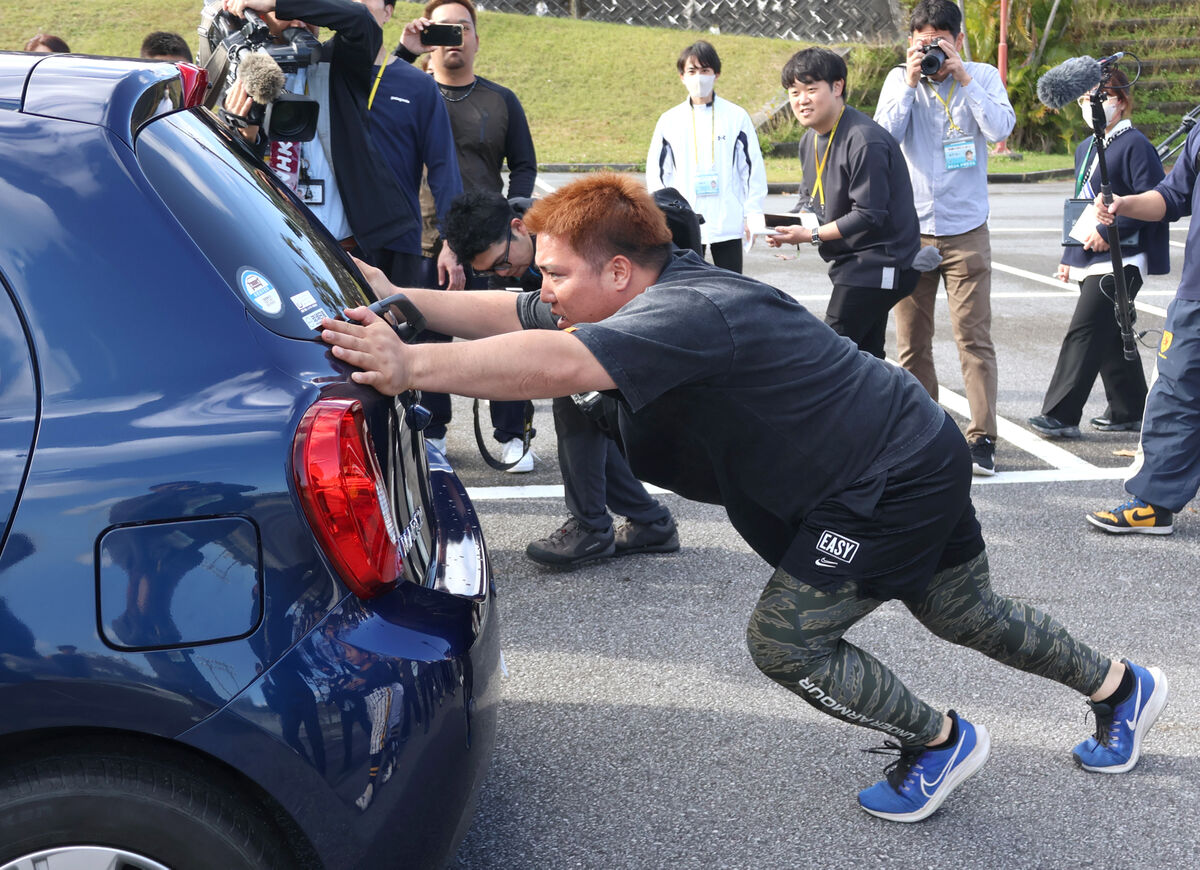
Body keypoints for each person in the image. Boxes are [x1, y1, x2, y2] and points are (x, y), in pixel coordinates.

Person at [320, 173, 1168, 821]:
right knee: (962, 610)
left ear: (619, 271)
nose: (546, 291)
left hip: (886, 480)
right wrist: (386, 296)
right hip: (901, 453)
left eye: (559, 274)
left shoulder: (690, 312)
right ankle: (1119, 688)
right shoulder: (633, 295)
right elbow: (513, 310)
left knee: (786, 642)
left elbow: (560, 361)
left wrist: (410, 366)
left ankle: (940, 742)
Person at [442, 190, 679, 566]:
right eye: (490, 272)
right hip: (593, 327)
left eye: (503, 263)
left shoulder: (570, 235)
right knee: (584, 412)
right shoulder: (518, 242)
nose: (503, 274)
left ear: (518, 228)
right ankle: (648, 521)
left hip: (644, 323)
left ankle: (592, 527)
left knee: (575, 401)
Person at [392, 0, 539, 470]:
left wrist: (511, 214)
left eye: (462, 28)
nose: (453, 38)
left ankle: (512, 434)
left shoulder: (500, 100)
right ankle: (432, 433)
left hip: (489, 246)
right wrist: (404, 51)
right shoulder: (408, 91)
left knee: (502, 339)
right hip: (422, 237)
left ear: (476, 37)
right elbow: (368, 96)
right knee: (428, 340)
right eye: (441, 30)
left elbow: (524, 165)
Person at [873, 0, 1015, 476]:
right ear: (910, 42)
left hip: (966, 229)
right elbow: (882, 141)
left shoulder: (981, 77)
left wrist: (965, 79)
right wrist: (913, 82)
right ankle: (923, 434)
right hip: (911, 230)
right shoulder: (900, 80)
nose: (930, 49)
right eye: (921, 41)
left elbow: (1001, 128)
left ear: (956, 39)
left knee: (973, 338)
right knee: (912, 343)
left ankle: (982, 438)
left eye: (939, 40)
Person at [217, 0, 418, 267]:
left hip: (352, 252)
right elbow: (230, 178)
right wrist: (246, 135)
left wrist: (281, 4)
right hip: (281, 252)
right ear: (259, 17)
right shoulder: (241, 73)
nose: (301, 19)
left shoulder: (340, 64)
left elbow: (361, 20)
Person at [1028, 71, 1168, 440]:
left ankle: (1060, 414)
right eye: (1084, 99)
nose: (1091, 105)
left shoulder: (1135, 144)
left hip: (1124, 256)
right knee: (1109, 330)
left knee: (1086, 330)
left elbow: (1153, 199)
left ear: (1120, 100)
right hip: (1090, 254)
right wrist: (1070, 254)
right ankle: (1130, 407)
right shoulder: (1087, 148)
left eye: (1099, 96)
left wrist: (1110, 232)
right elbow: (1080, 206)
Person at [767, 47, 922, 361]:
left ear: (837, 87)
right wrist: (785, 228)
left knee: (828, 355)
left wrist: (809, 236)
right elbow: (809, 201)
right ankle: (881, 409)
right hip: (852, 262)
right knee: (865, 358)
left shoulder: (865, 139)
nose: (801, 100)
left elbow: (869, 215)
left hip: (882, 261)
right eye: (794, 92)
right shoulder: (809, 139)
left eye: (811, 89)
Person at [1086, 121, 1200, 535]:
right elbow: (1173, 195)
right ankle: (1154, 504)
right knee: (1175, 393)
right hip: (1196, 292)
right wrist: (1125, 204)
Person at [358, 0, 464, 298]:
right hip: (335, 237)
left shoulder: (418, 86)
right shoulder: (323, 72)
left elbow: (443, 167)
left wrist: (451, 242)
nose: (358, 4)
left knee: (394, 336)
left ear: (389, 11)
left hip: (397, 241)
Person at [645, 40, 767, 274]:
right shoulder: (669, 120)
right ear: (682, 76)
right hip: (684, 219)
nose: (699, 77)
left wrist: (753, 212)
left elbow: (751, 167)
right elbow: (657, 172)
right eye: (692, 71)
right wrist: (662, 213)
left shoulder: (735, 116)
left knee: (730, 285)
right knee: (686, 283)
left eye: (705, 70)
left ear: (716, 74)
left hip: (727, 217)